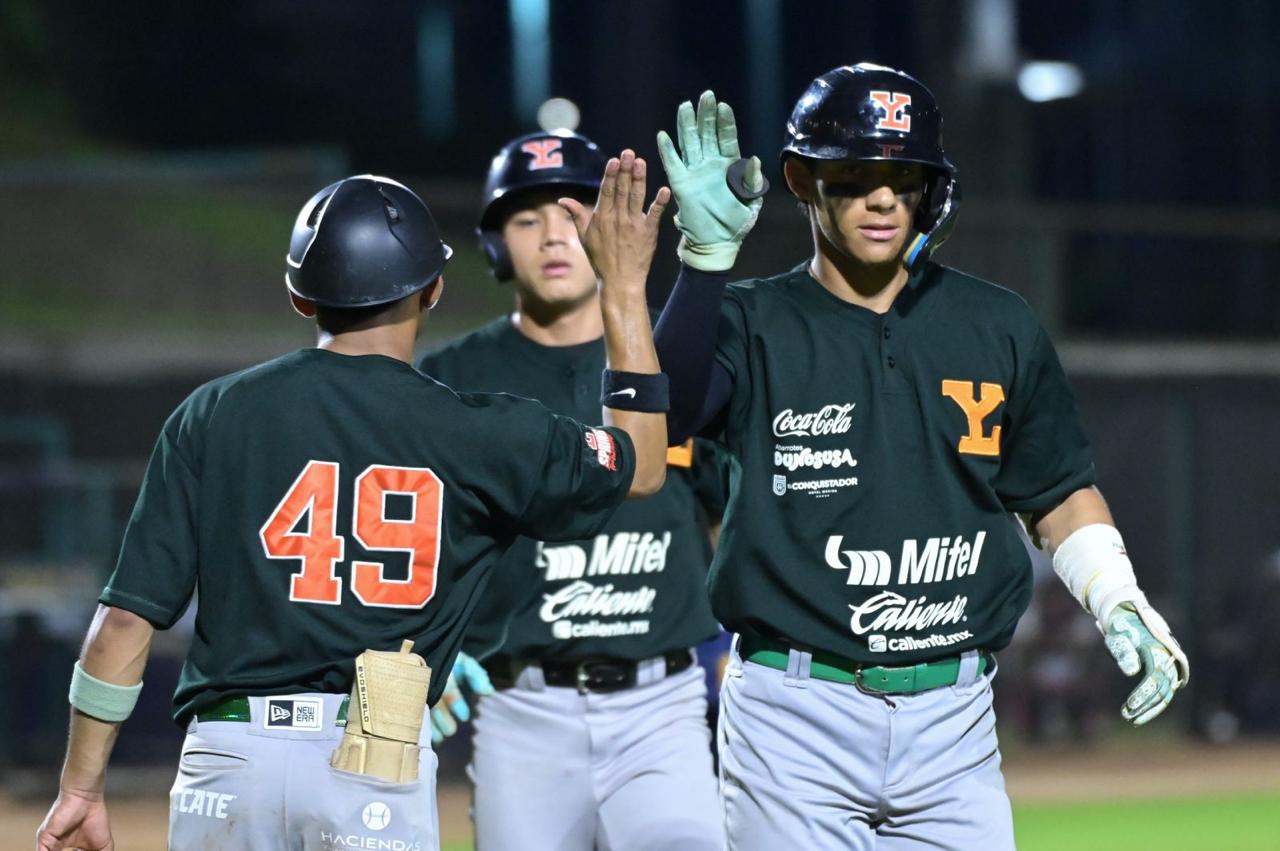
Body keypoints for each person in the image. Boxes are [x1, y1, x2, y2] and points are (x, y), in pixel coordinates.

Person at [36, 163, 672, 851]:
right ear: (433, 287)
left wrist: (80, 787)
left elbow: (124, 621)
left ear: (300, 297)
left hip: (226, 757)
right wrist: (626, 288)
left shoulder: (214, 413)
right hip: (369, 759)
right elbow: (639, 461)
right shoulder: (487, 431)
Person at [650, 63, 1191, 849]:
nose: (883, 197)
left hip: (955, 721)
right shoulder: (749, 321)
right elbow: (658, 405)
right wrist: (702, 263)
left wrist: (1119, 598)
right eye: (858, 173)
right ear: (804, 179)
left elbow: (1058, 488)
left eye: (905, 177)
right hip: (794, 714)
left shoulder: (997, 323)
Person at [417, 131, 725, 851]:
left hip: (665, 703)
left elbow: (730, 503)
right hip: (519, 705)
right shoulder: (450, 377)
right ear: (494, 244)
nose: (555, 235)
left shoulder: (673, 350)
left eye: (575, 209)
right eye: (526, 219)